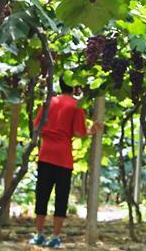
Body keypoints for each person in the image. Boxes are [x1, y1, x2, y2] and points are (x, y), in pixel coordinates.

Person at [29, 78, 102, 248]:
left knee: (42, 195)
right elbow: (79, 132)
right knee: (61, 197)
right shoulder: (76, 106)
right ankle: (55, 237)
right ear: (75, 87)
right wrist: (91, 131)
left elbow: (36, 127)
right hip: (63, 158)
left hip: (45, 154)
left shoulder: (48, 102)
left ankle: (39, 234)